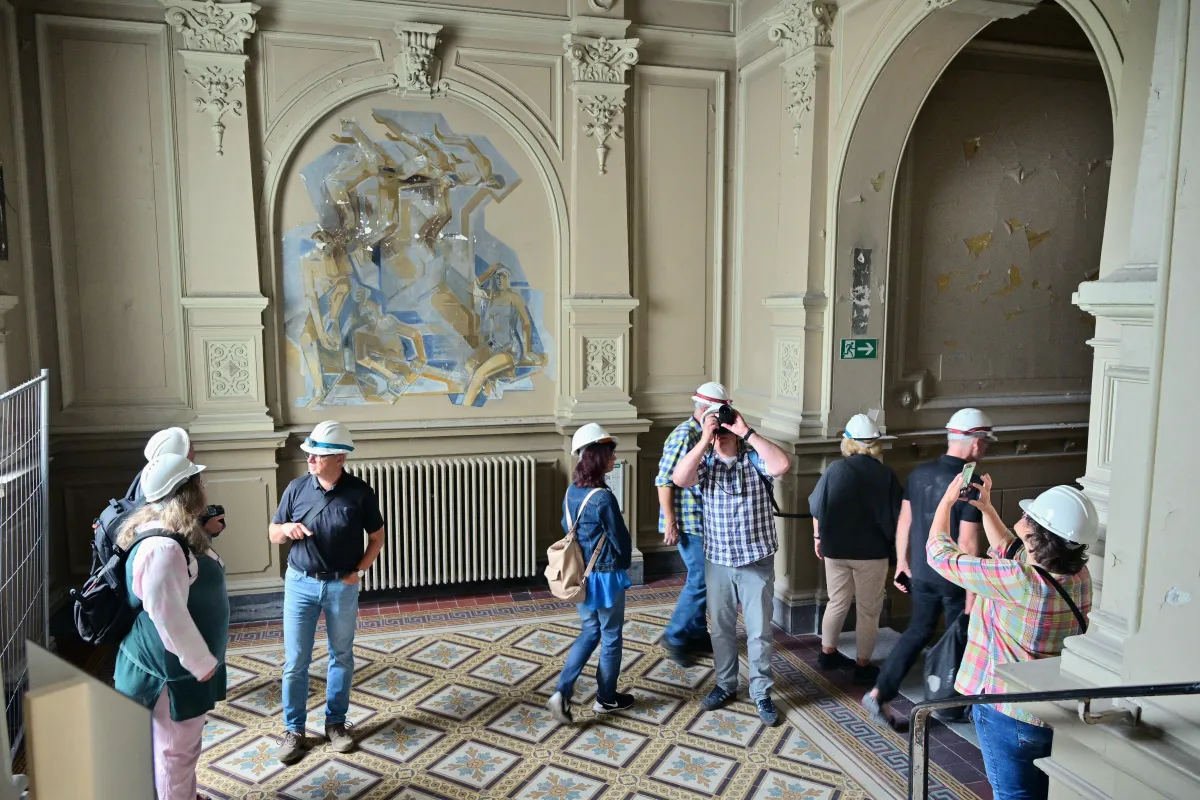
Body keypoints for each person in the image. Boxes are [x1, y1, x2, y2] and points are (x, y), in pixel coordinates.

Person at [927, 474, 1095, 800]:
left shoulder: (1020, 582)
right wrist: (987, 509)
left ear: (1036, 534)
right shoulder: (1077, 576)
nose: (1022, 518)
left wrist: (946, 502)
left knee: (1013, 794)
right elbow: (1014, 552)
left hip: (1008, 712)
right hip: (1053, 710)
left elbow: (939, 555)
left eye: (1028, 518)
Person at [862, 407, 993, 730]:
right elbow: (968, 542)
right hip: (954, 576)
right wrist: (973, 591)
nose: (986, 449)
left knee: (918, 632)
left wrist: (902, 563)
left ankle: (880, 692)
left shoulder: (918, 474)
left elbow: (904, 522)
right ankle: (950, 704)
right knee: (960, 636)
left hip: (922, 569)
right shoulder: (970, 483)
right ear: (976, 444)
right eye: (986, 443)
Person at [112, 453, 228, 800]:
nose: (203, 487)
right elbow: (167, 615)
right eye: (198, 482)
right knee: (175, 754)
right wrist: (201, 663)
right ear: (187, 493)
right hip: (169, 674)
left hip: (178, 670)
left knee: (179, 750)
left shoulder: (173, 530)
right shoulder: (161, 547)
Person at [269, 421, 386, 764]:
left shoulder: (360, 493)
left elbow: (377, 537)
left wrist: (359, 572)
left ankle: (336, 724)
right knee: (296, 662)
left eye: (317, 455)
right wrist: (286, 529)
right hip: (300, 584)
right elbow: (273, 533)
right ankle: (294, 730)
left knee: (342, 656)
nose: (309, 459)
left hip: (340, 586)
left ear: (339, 459)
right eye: (309, 453)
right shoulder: (295, 488)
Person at [672, 404, 792, 725]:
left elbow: (782, 465)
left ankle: (761, 691)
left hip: (756, 559)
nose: (722, 431)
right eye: (718, 425)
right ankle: (725, 684)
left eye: (725, 425)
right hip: (718, 562)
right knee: (722, 630)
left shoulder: (754, 459)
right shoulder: (706, 463)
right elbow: (679, 478)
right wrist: (704, 439)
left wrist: (745, 431)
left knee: (759, 631)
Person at [547, 423, 636, 724]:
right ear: (598, 456)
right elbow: (621, 541)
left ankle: (562, 691)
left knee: (589, 630)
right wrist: (623, 563)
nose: (614, 458)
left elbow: (566, 526)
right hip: (607, 576)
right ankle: (606, 699)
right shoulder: (603, 498)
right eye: (611, 453)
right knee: (611, 635)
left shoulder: (572, 491)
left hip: (582, 576)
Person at [808, 414, 903, 685]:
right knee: (868, 611)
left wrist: (818, 537)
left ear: (847, 441)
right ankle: (862, 665)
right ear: (876, 444)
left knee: (836, 602)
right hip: (872, 553)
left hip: (836, 549)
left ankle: (827, 654)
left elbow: (816, 507)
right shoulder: (885, 475)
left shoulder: (835, 470)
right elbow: (898, 518)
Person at [656, 382, 730, 665]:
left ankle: (696, 633)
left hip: (705, 520)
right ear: (706, 410)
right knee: (701, 579)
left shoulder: (707, 433)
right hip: (688, 522)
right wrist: (671, 523)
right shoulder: (685, 435)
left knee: (703, 579)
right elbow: (663, 480)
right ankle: (674, 635)